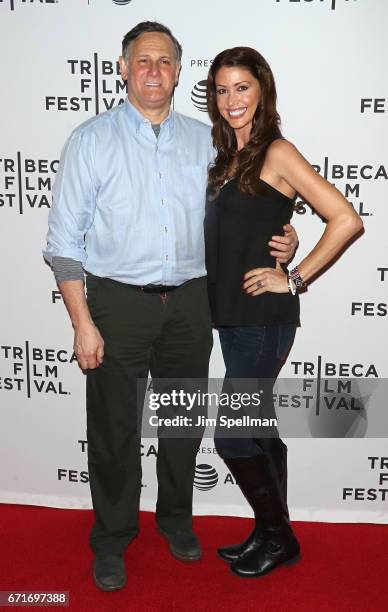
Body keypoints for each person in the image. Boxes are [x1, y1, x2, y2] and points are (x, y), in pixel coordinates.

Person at [43, 23, 298, 591]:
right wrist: (82, 322)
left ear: (180, 72)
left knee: (180, 421)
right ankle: (111, 539)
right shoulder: (90, 141)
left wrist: (289, 241)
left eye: (165, 61)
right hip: (115, 304)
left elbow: (251, 205)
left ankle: (177, 520)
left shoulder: (207, 140)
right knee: (114, 431)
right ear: (123, 67)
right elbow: (63, 246)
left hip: (190, 303)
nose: (153, 70)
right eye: (143, 60)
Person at [204, 46, 363, 578]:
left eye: (242, 88)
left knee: (232, 433)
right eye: (222, 90)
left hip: (265, 318)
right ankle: (269, 531)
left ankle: (279, 537)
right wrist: (285, 239)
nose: (232, 100)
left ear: (263, 91)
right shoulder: (228, 157)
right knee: (258, 426)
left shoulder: (277, 151)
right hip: (232, 316)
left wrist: (293, 276)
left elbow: (345, 218)